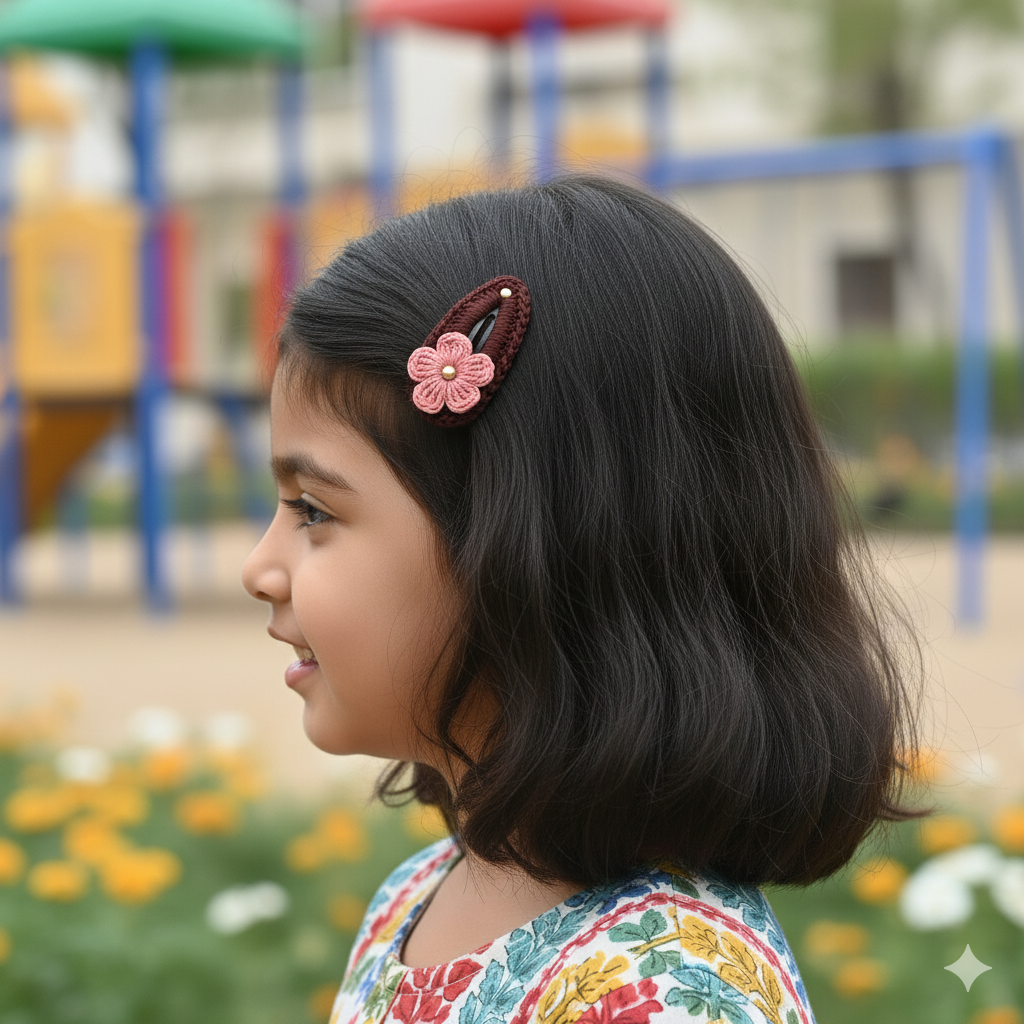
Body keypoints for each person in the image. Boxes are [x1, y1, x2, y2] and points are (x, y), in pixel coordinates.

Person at [242, 175, 925, 1024]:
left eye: (314, 510)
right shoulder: (420, 893)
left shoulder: (665, 990)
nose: (259, 567)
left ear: (531, 549)